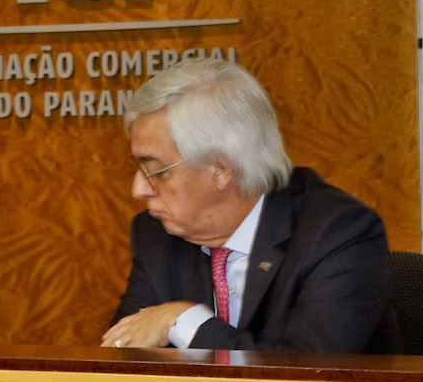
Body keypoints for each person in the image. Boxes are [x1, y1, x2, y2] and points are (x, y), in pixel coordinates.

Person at [103, 58, 398, 353]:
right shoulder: (157, 235)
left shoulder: (337, 234)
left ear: (220, 169)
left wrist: (182, 321)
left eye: (156, 171)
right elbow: (122, 356)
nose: (138, 190)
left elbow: (307, 370)